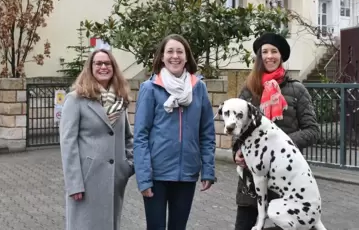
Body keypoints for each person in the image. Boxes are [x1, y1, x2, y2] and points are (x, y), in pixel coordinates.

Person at [232, 32, 320, 230]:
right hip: (252, 180)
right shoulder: (249, 90)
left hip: (287, 181)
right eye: (265, 52)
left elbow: (312, 130)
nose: (269, 56)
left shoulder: (297, 90)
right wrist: (236, 152)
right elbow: (237, 130)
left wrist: (280, 146)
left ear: (281, 56)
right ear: (259, 56)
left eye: (274, 51)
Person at [133, 34, 216, 230]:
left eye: (180, 51)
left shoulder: (199, 89)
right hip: (156, 175)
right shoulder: (150, 89)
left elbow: (207, 133)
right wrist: (144, 178)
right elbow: (140, 136)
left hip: (186, 174)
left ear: (187, 57)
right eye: (170, 51)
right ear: (161, 57)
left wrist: (208, 170)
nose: (175, 56)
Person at [59, 49, 134, 230]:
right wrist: (74, 184)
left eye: (107, 63)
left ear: (113, 68)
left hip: (114, 178)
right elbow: (68, 143)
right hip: (86, 180)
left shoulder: (120, 99)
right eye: (98, 63)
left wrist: (127, 165)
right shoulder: (75, 99)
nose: (103, 67)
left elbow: (128, 137)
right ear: (90, 68)